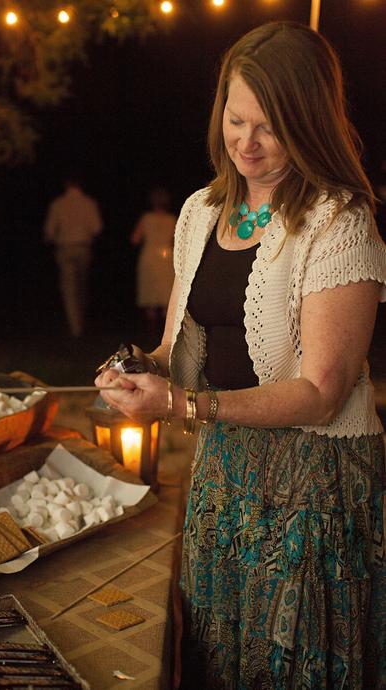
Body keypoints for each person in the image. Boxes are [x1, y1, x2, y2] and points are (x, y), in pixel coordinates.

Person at [95, 21, 386, 689]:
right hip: (223, 473)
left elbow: (321, 391)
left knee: (291, 662)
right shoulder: (202, 210)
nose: (245, 143)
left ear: (308, 122)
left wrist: (183, 404)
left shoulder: (340, 222)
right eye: (235, 118)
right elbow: (179, 348)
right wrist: (142, 368)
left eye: (268, 126)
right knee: (220, 655)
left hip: (314, 483)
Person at [44, 174, 103, 337]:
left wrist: (54, 237)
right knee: (81, 286)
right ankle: (79, 326)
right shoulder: (89, 203)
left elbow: (49, 231)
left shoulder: (58, 204)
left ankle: (75, 326)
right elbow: (97, 228)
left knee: (70, 288)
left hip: (65, 248)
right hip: (83, 247)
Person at [130, 187, 176, 338]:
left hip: (149, 256)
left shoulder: (146, 218)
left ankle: (152, 332)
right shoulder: (171, 219)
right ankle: (165, 333)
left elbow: (135, 239)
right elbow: (175, 240)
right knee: (165, 293)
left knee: (151, 292)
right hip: (166, 256)